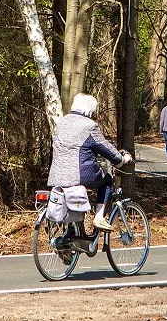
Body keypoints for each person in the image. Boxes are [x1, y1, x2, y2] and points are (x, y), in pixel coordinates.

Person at [48, 93, 132, 231]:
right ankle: (99, 217)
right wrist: (121, 160)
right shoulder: (89, 125)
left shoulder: (61, 122)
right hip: (78, 174)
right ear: (91, 110)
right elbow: (104, 146)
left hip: (57, 176)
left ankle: (72, 234)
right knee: (107, 180)